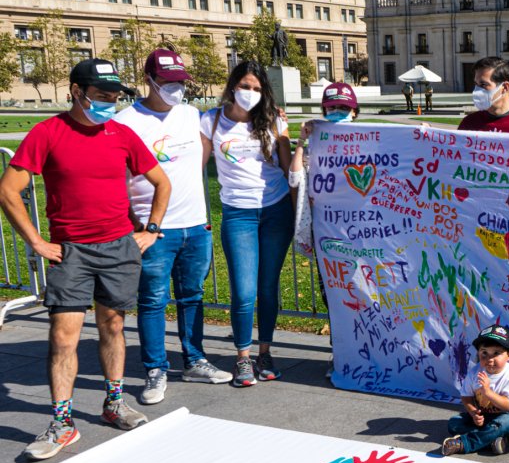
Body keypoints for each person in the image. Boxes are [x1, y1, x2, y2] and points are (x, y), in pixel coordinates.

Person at [0, 58, 171, 460]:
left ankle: (113, 403)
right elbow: (8, 190)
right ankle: (62, 422)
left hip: (118, 249)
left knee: (112, 325)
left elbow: (161, 181)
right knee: (63, 337)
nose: (109, 102)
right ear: (77, 92)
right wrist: (37, 243)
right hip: (71, 252)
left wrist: (152, 229)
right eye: (101, 95)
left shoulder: (122, 134)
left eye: (113, 96)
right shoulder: (47, 133)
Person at [115, 50, 232, 406]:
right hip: (154, 230)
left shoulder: (190, 115)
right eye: (167, 82)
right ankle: (155, 369)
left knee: (192, 297)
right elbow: (118, 179)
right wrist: (138, 225)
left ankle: (194, 359)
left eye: (180, 82)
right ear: (148, 80)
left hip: (196, 225)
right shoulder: (126, 121)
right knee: (152, 301)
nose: (176, 89)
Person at [200, 61, 294, 388]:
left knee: (268, 286)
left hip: (275, 210)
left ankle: (264, 353)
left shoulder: (274, 120)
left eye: (256, 89)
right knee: (243, 291)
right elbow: (194, 168)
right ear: (232, 86)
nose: (250, 94)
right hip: (238, 213)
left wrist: (299, 211)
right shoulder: (211, 120)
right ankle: (242, 357)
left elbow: (288, 169)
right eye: (245, 87)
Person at [292, 82, 357, 380]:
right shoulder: (315, 145)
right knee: (334, 296)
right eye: (332, 109)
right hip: (328, 236)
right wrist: (302, 141)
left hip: (366, 236)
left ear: (354, 112)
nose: (338, 113)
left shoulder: (372, 141)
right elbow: (295, 179)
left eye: (343, 108)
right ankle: (341, 352)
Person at [442, 324, 509, 456]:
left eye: (496, 353)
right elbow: (466, 396)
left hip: (508, 418)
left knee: (504, 423)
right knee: (453, 423)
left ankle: (464, 444)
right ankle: (493, 439)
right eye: (484, 353)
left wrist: (488, 392)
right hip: (484, 418)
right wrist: (474, 412)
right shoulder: (475, 372)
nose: (489, 359)